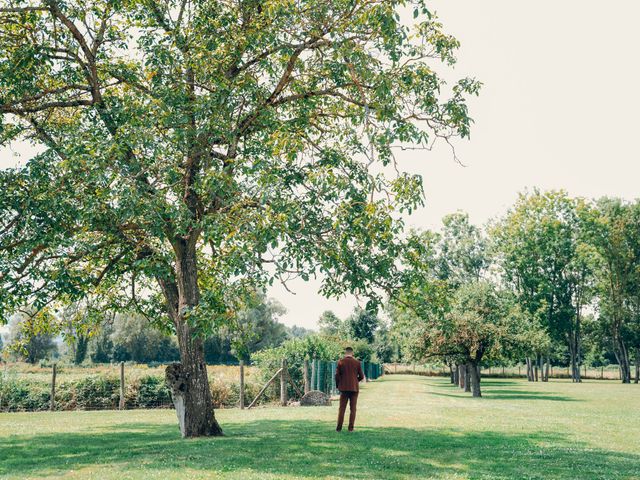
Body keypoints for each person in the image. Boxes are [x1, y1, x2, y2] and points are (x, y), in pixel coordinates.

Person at [335, 346, 364, 432]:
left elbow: (337, 376)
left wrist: (338, 385)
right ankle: (350, 428)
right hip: (354, 389)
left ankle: (338, 428)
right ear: (352, 353)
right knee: (353, 409)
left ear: (345, 353)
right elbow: (361, 376)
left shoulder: (340, 362)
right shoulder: (357, 362)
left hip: (343, 389)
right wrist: (355, 381)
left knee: (342, 409)